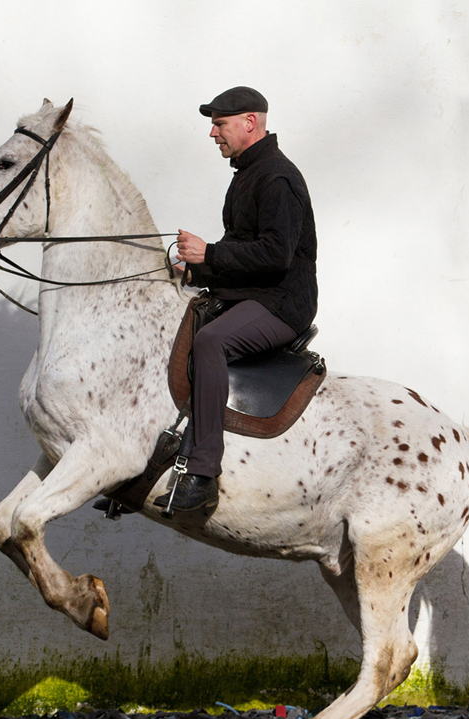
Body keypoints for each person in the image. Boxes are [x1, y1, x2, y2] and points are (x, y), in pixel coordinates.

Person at [156, 86, 319, 512]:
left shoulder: (277, 178)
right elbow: (241, 253)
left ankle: (203, 473)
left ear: (249, 122)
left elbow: (275, 256)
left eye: (219, 124)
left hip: (282, 304)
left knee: (212, 341)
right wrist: (196, 272)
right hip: (254, 294)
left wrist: (209, 253)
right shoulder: (247, 174)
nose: (213, 133)